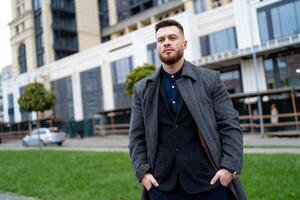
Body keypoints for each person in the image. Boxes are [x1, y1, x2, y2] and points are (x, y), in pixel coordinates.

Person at [129, 19, 246, 200]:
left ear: (184, 43)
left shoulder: (210, 79)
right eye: (161, 40)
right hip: (162, 186)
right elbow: (136, 136)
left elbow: (230, 125)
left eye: (172, 37)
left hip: (210, 183)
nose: (166, 42)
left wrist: (229, 168)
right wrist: (142, 172)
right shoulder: (142, 89)